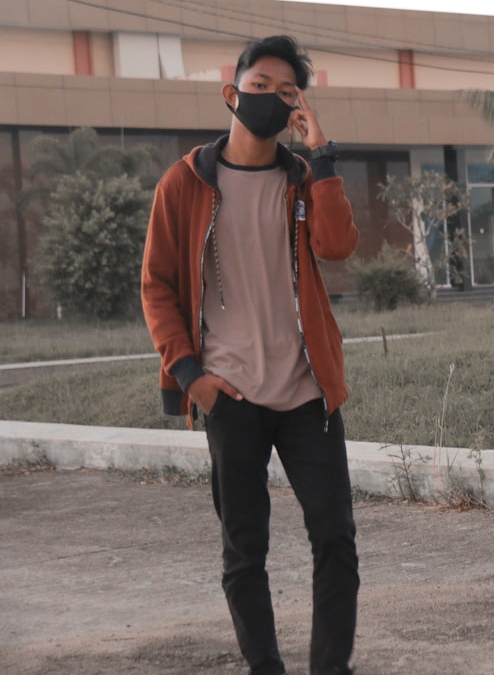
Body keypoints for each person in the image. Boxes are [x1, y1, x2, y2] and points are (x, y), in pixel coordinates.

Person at [141, 34, 360, 675]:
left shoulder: (300, 179)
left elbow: (339, 246)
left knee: (337, 541)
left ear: (298, 107)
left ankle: (331, 668)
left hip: (307, 393)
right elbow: (156, 285)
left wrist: (321, 157)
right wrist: (191, 377)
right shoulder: (184, 184)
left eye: (286, 91)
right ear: (232, 94)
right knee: (245, 552)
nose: (270, 98)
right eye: (260, 86)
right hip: (230, 394)